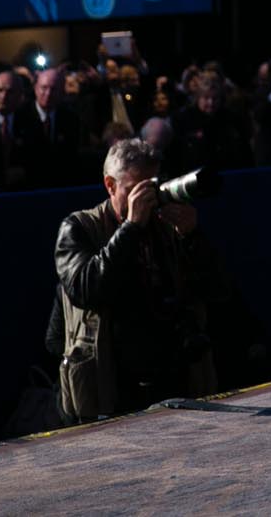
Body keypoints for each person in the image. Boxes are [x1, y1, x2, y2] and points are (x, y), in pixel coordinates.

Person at [54, 138, 221, 420]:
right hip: (112, 382)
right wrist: (130, 228)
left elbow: (217, 289)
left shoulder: (167, 225)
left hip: (172, 372)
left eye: (151, 189)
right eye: (134, 191)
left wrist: (192, 237)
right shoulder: (79, 227)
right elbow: (87, 290)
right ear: (110, 185)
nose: (146, 201)